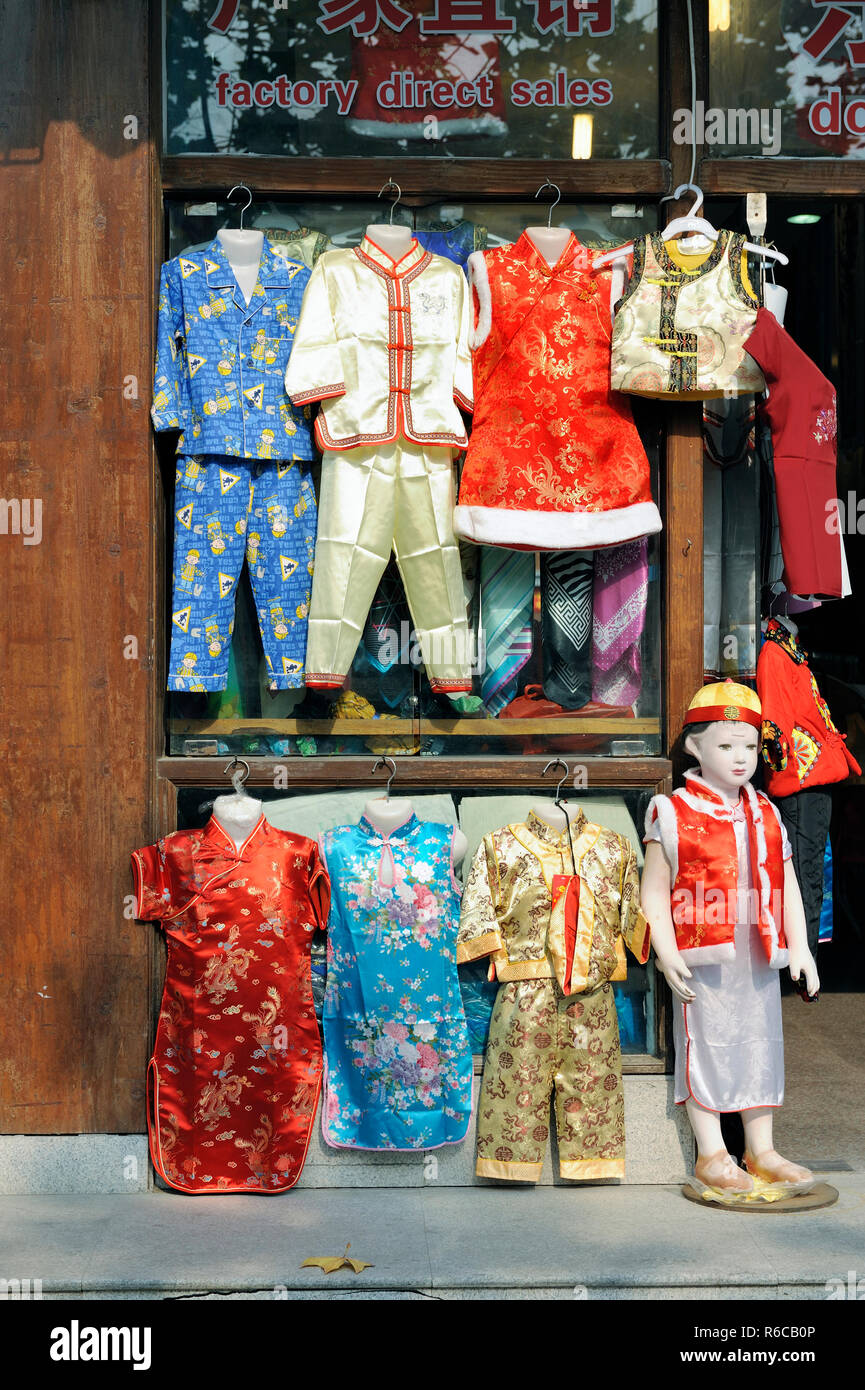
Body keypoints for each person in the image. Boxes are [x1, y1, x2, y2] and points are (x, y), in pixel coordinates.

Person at [640, 681, 819, 1193]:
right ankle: (712, 1152)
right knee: (708, 1042)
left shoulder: (765, 810)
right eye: (725, 745)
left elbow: (786, 882)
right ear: (694, 746)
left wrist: (800, 947)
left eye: (748, 746)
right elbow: (653, 892)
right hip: (704, 955)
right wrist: (666, 949)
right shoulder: (672, 812)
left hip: (758, 951)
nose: (740, 758)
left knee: (762, 1041)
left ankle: (762, 1149)